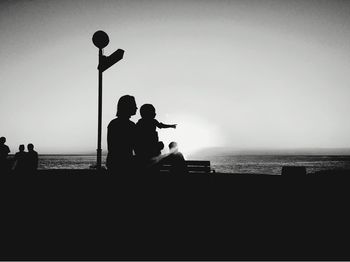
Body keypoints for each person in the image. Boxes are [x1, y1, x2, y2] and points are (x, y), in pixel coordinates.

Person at [106, 95, 138, 173]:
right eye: (134, 105)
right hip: (125, 163)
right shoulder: (131, 125)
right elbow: (136, 146)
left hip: (113, 162)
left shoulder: (113, 123)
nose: (136, 108)